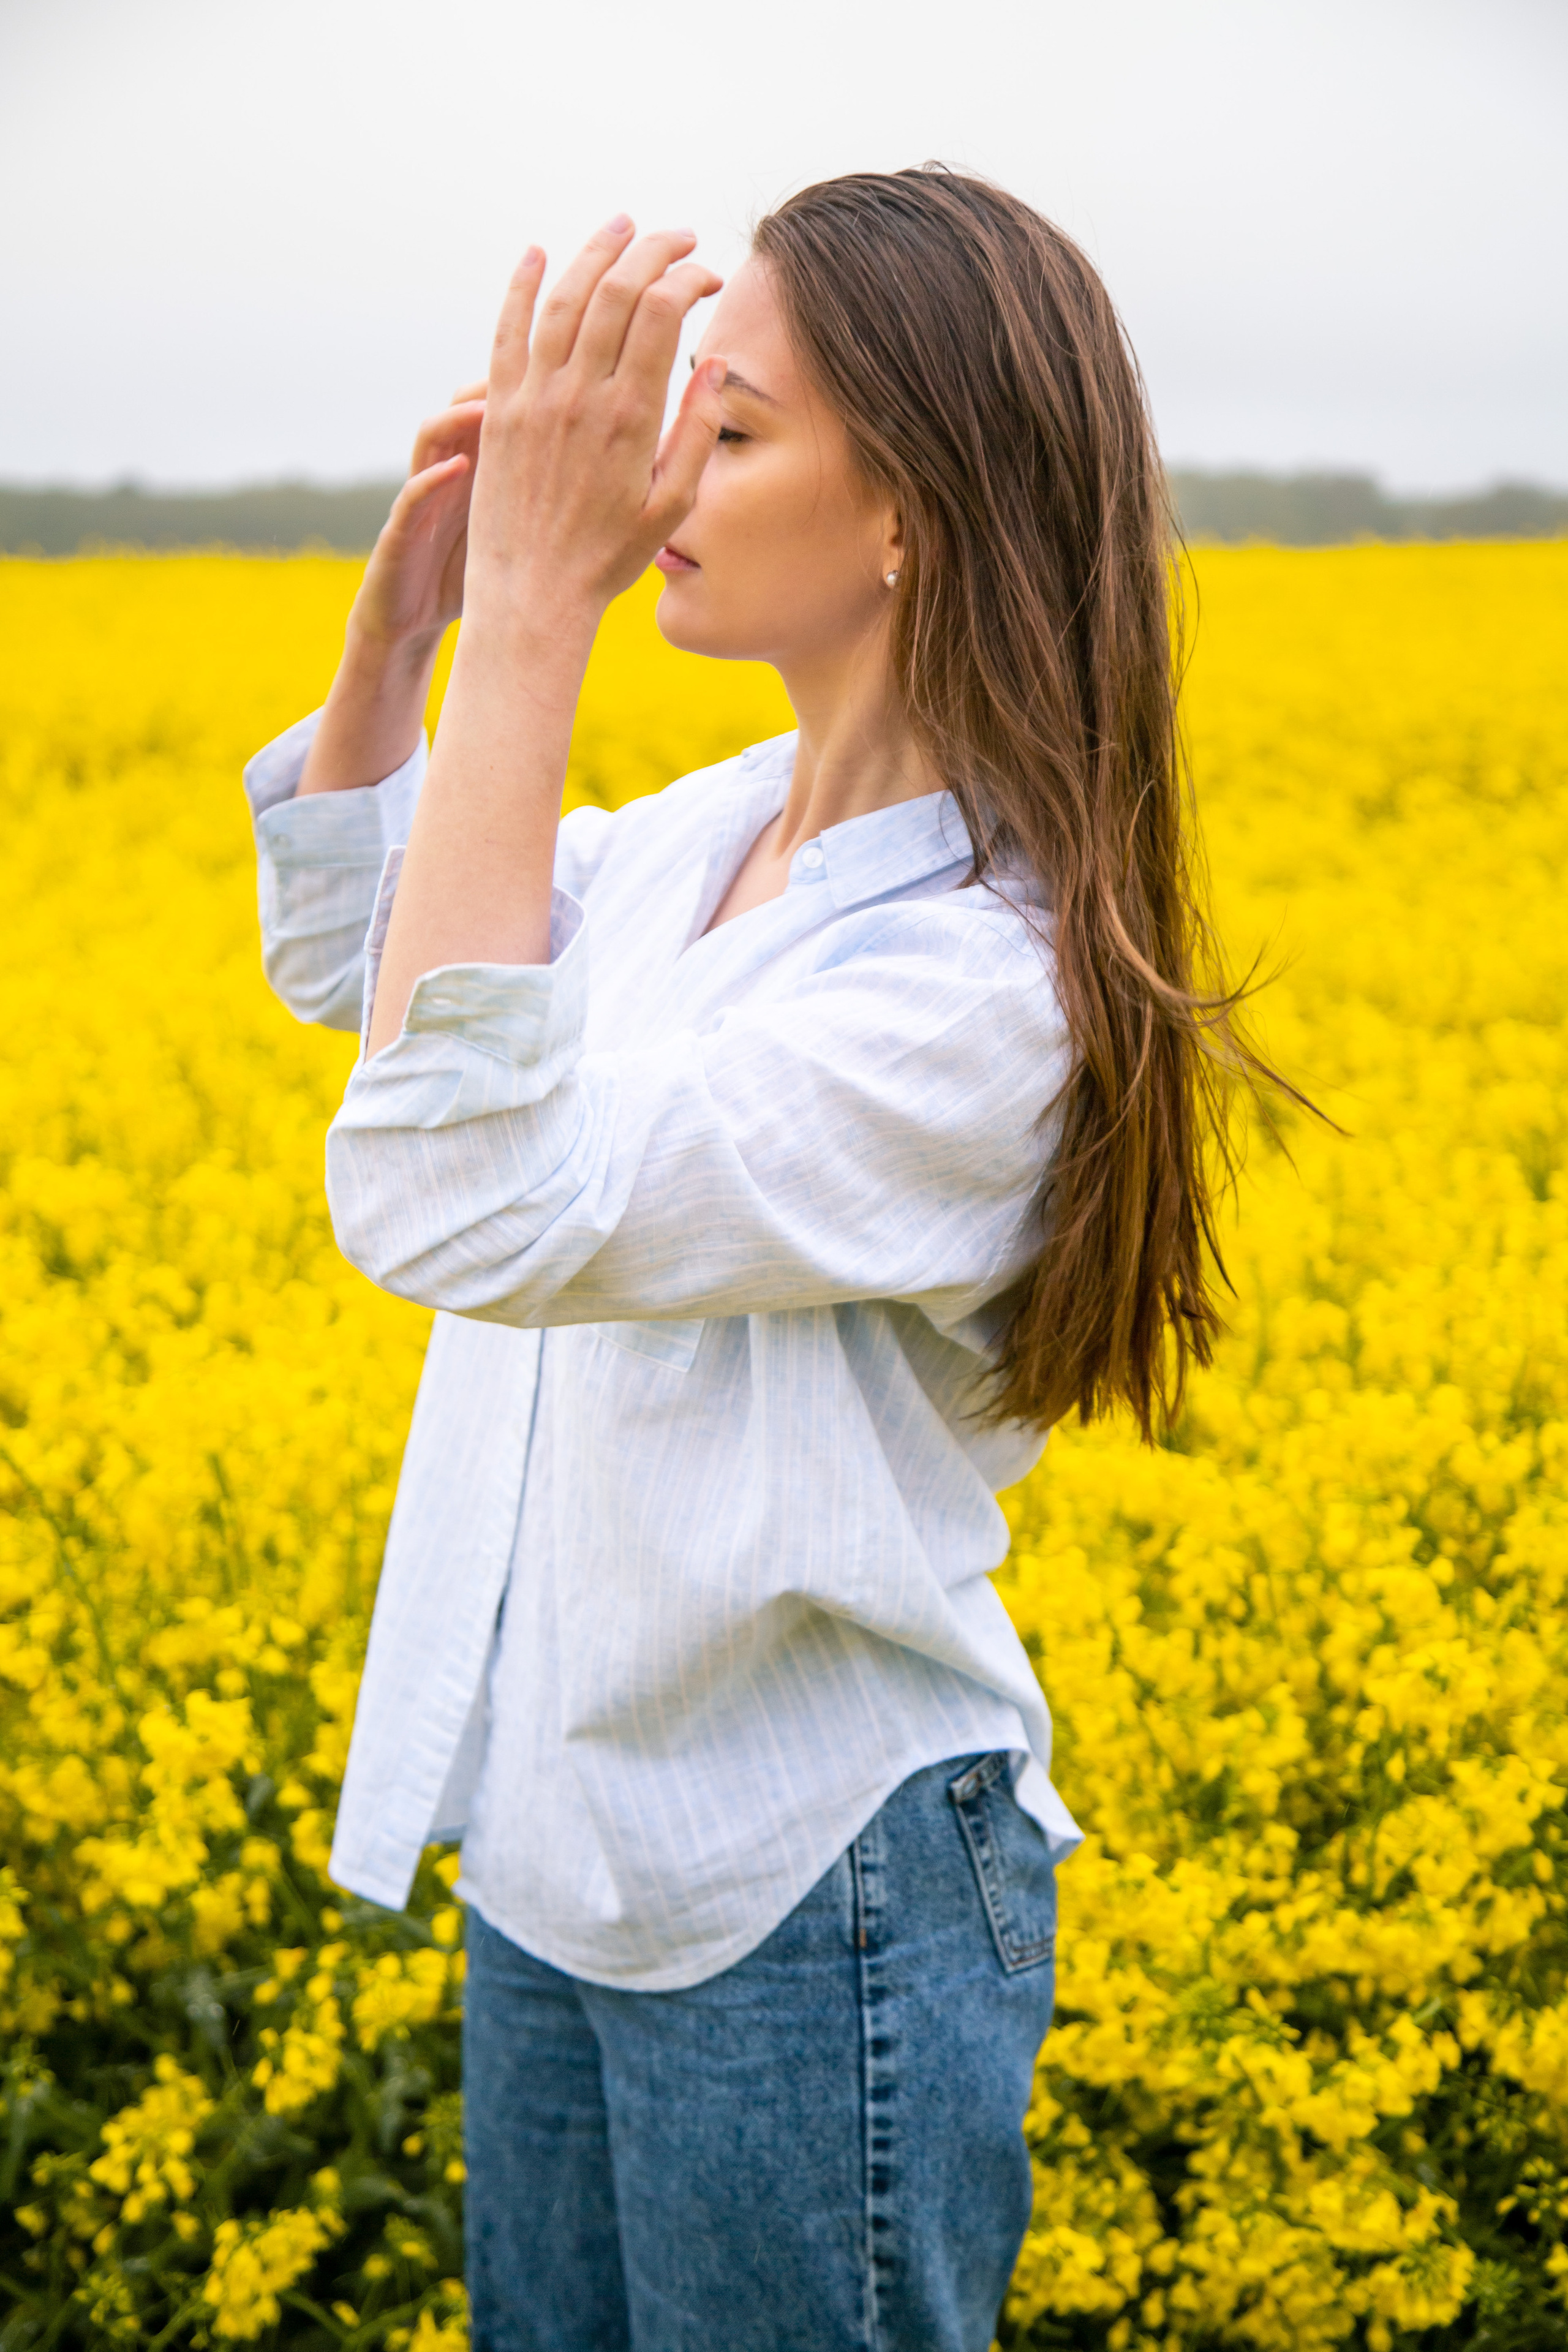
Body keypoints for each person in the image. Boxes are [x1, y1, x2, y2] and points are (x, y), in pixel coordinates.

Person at [244, 166, 1254, 2352]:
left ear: (912, 515)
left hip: (816, 1902)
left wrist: (540, 620)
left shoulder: (980, 990)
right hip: (566, 1849)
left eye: (736, 421)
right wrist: (420, 622)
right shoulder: (718, 832)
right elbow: (361, 962)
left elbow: (450, 1194)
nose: (660, 468)